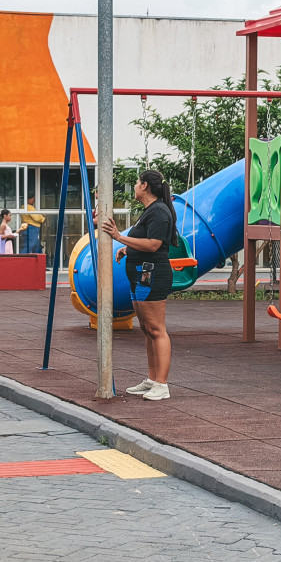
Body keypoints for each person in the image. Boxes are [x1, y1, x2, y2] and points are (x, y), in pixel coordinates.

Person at [100, 169, 177, 401]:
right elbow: (146, 240)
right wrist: (128, 249)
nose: (134, 186)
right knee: (146, 328)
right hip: (141, 275)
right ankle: (152, 379)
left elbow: (154, 245)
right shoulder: (150, 210)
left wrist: (119, 237)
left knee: (156, 329)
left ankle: (162, 385)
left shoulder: (159, 211)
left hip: (153, 275)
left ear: (145, 186)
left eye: (136, 182)